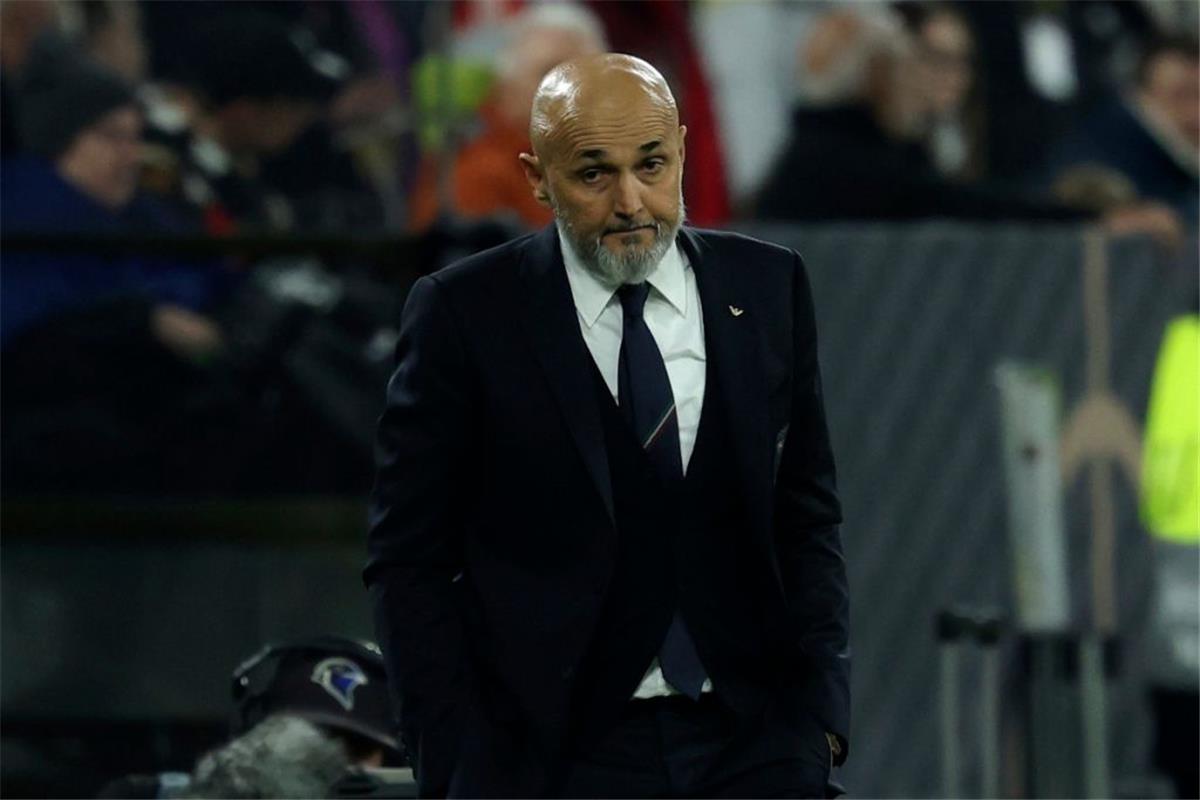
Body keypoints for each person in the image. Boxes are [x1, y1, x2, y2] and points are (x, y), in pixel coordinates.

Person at [366, 53, 849, 798]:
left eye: (651, 165)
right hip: (554, 760)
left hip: (756, 744)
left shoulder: (767, 284)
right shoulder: (465, 313)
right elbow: (409, 557)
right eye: (594, 174)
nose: (631, 202)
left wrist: (821, 718)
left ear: (682, 150)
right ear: (537, 178)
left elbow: (806, 515)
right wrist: (455, 761)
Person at [408, 3, 607, 231]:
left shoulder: (617, 159)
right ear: (507, 84)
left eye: (585, 76)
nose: (571, 90)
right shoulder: (476, 170)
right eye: (548, 72)